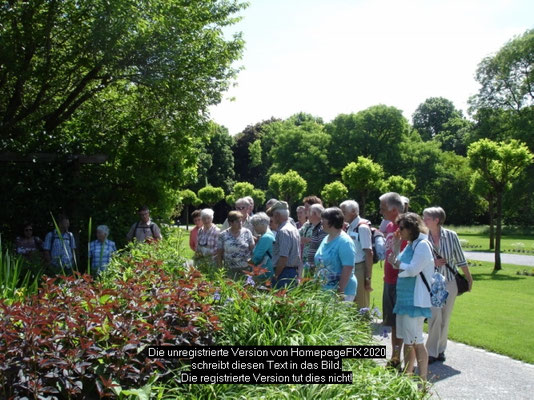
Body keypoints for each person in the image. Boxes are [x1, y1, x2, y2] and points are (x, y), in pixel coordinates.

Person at [423, 206, 473, 364]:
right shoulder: (423, 237)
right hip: (433, 283)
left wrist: (469, 279)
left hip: (450, 281)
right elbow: (419, 260)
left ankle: (440, 350)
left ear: (436, 220)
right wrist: (433, 262)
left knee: (445, 316)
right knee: (434, 316)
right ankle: (431, 351)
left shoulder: (451, 236)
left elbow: (461, 260)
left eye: (427, 218)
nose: (423, 220)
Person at [388, 212, 433, 381]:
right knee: (408, 341)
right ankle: (407, 379)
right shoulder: (411, 244)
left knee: (416, 341)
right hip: (405, 299)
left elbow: (413, 269)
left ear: (411, 228)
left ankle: (422, 381)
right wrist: (396, 247)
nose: (399, 231)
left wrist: (398, 262)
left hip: (415, 301)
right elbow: (397, 263)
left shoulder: (422, 245)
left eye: (401, 228)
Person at [379, 192, 406, 369]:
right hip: (389, 279)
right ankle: (395, 356)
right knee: (392, 323)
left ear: (394, 209)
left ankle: (399, 358)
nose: (380, 211)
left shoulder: (406, 228)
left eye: (383, 208)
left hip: (401, 282)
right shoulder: (390, 226)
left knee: (401, 323)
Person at [314, 207, 357, 301]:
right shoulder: (327, 238)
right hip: (324, 291)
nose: (321, 222)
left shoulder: (345, 241)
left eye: (323, 219)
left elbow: (348, 267)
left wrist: (340, 292)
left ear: (332, 222)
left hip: (340, 293)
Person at [340, 200, 373, 309]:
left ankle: (364, 324)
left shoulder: (362, 227)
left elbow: (368, 253)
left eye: (344, 212)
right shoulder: (350, 227)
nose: (341, 214)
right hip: (351, 267)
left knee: (361, 303)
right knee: (351, 301)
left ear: (353, 211)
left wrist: (368, 278)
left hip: (360, 268)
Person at [267, 201, 301, 288]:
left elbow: (283, 258)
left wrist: (276, 275)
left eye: (273, 215)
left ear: (277, 215)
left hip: (284, 273)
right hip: (292, 272)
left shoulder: (283, 231)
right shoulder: (293, 229)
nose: (272, 218)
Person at [217, 211, 255, 279]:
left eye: (241, 221)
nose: (240, 223)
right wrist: (220, 269)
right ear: (230, 223)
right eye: (237, 222)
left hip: (246, 268)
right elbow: (219, 254)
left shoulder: (247, 232)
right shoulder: (222, 235)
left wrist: (253, 266)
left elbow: (253, 250)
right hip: (230, 269)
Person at [249, 212, 276, 279]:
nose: (254, 228)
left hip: (265, 271)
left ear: (262, 224)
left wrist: (246, 264)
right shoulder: (269, 234)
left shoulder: (266, 237)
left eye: (255, 225)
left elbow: (257, 257)